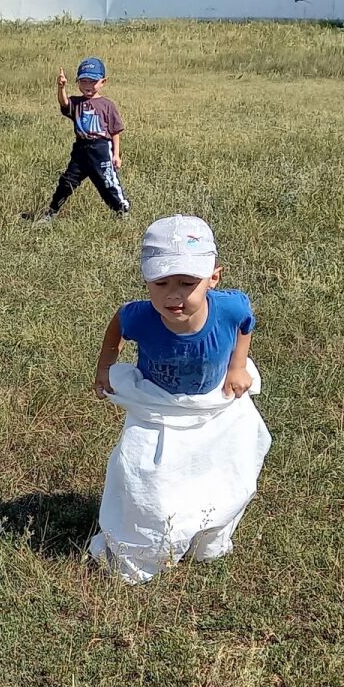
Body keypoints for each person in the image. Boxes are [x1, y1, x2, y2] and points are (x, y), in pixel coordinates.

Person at [89, 215, 269, 583]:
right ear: (146, 280)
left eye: (188, 283)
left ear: (213, 278)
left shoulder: (230, 307)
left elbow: (245, 323)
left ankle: (205, 530)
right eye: (161, 283)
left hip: (212, 403)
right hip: (158, 406)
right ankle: (141, 542)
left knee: (222, 468)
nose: (174, 294)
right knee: (141, 471)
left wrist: (237, 367)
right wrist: (105, 367)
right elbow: (117, 326)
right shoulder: (140, 316)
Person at [39, 57, 129, 222]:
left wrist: (116, 155)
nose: (88, 85)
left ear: (103, 82)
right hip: (81, 149)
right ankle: (51, 213)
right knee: (67, 182)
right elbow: (65, 104)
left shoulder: (107, 105)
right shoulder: (76, 102)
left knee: (107, 183)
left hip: (101, 149)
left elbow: (115, 131)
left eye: (92, 81)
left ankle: (122, 212)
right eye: (83, 81)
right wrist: (61, 88)